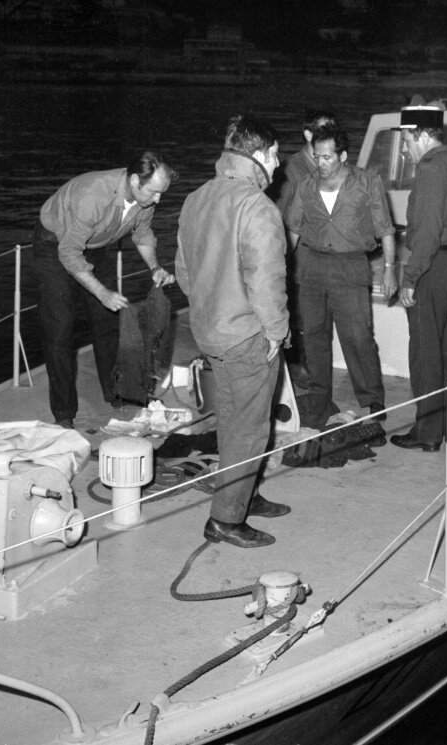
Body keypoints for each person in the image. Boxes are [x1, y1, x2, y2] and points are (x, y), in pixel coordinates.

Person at [175, 114, 290, 549]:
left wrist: (213, 306)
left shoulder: (196, 199)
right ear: (259, 155)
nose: (278, 165)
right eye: (276, 155)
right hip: (246, 337)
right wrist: (277, 331)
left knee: (230, 420)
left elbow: (184, 273)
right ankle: (225, 519)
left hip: (209, 331)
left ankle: (245, 494)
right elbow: (267, 282)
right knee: (250, 428)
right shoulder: (256, 206)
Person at [33, 151, 177, 430]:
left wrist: (155, 267)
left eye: (162, 193)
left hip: (95, 244)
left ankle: (116, 393)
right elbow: (69, 255)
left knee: (107, 322)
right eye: (155, 193)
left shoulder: (145, 197)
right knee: (60, 329)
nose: (158, 200)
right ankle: (64, 413)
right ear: (135, 181)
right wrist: (101, 292)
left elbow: (143, 233)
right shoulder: (93, 197)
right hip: (54, 245)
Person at [285, 123, 397, 429]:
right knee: (315, 335)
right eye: (316, 157)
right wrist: (281, 270)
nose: (320, 164)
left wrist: (389, 270)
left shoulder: (367, 182)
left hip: (351, 267)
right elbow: (293, 229)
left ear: (343, 155)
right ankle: (320, 395)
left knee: (358, 336)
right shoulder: (306, 185)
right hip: (311, 266)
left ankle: (372, 397)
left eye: (326, 158)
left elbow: (386, 229)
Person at [390, 105, 447, 453]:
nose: (405, 148)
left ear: (424, 136)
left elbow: (427, 231)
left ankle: (428, 431)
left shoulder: (429, 169)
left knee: (426, 351)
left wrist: (411, 277)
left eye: (408, 139)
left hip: (436, 267)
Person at [274, 109, 337, 388]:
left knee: (318, 321)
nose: (330, 134)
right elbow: (284, 219)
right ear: (308, 134)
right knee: (300, 317)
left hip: (325, 257)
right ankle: (296, 369)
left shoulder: (331, 164)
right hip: (300, 260)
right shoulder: (293, 169)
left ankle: (316, 372)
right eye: (323, 129)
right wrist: (283, 262)